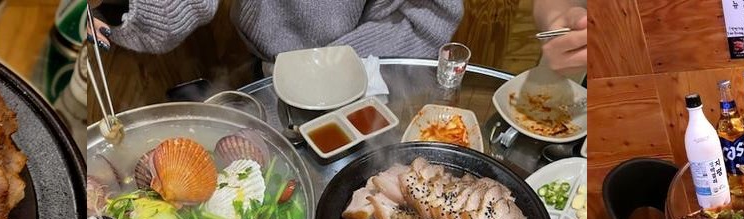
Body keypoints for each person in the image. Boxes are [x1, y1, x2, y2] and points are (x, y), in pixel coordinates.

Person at [87, 0, 464, 63]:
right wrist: (120, 5)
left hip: (370, 73)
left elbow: (430, 18)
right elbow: (174, 12)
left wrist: (335, 63)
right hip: (266, 72)